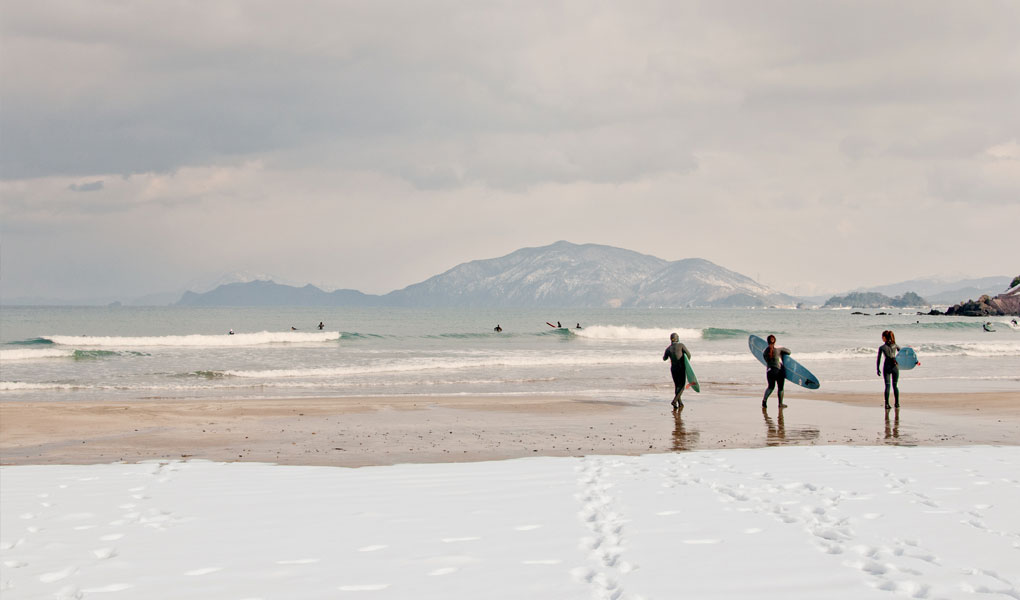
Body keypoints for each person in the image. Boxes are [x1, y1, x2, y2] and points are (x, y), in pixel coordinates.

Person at [662, 332, 691, 411]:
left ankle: (680, 403)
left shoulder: (668, 348)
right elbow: (689, 354)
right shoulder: (681, 345)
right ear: (677, 338)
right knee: (681, 386)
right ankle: (674, 401)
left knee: (677, 386)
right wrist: (686, 362)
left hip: (673, 369)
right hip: (681, 368)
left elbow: (664, 358)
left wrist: (669, 354)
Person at [761, 334, 790, 409]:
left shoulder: (765, 351)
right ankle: (780, 404)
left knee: (770, 387)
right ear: (775, 340)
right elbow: (789, 351)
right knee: (780, 388)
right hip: (778, 370)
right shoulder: (778, 347)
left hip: (769, 371)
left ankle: (764, 401)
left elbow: (766, 360)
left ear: (767, 341)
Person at [877, 330, 900, 409]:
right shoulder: (895, 345)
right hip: (895, 367)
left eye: (882, 337)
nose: (881, 338)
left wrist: (877, 369)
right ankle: (897, 403)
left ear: (884, 337)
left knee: (887, 386)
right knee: (895, 386)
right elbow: (902, 353)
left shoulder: (882, 347)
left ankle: (887, 404)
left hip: (887, 367)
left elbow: (878, 359)